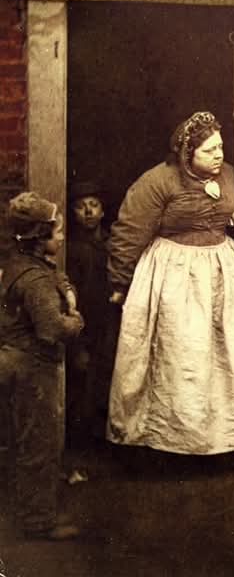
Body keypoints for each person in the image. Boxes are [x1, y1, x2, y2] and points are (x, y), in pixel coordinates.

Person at [106, 111, 234, 455]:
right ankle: (168, 440)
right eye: (209, 150)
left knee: (220, 355)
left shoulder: (231, 174)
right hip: (174, 274)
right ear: (187, 153)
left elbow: (233, 213)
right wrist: (120, 281)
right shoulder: (158, 181)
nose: (219, 155)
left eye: (220, 147)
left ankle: (219, 439)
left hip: (219, 272)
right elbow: (130, 232)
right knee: (181, 355)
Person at [0, 191, 85, 540]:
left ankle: (30, 510)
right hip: (34, 367)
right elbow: (51, 330)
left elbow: (51, 277)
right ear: (39, 237)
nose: (62, 236)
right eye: (56, 231)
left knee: (26, 439)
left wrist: (62, 286)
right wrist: (75, 320)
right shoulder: (35, 281)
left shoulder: (19, 263)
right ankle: (37, 520)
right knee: (40, 444)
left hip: (16, 358)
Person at [66, 180, 118, 441]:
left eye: (93, 206)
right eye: (80, 207)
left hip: (110, 321)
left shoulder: (115, 244)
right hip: (85, 321)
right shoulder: (71, 249)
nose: (88, 212)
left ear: (103, 210)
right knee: (82, 379)